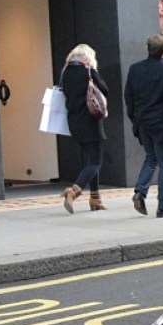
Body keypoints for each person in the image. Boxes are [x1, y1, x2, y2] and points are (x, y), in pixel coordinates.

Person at [124, 34, 163, 217]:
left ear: (147, 49)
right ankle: (162, 207)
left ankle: (140, 192)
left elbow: (129, 97)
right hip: (161, 123)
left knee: (151, 158)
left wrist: (135, 118)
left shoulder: (135, 69)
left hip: (143, 122)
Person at [59, 44, 110, 213]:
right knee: (95, 162)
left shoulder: (65, 73)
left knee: (91, 160)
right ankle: (73, 191)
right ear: (88, 58)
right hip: (91, 122)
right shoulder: (88, 71)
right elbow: (105, 90)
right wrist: (93, 72)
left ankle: (95, 199)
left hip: (74, 123)